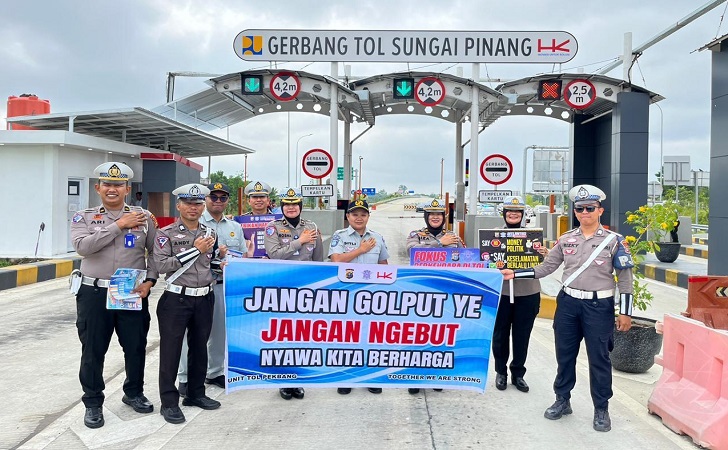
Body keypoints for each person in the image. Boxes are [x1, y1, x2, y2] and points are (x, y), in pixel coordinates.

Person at [501, 185, 634, 433]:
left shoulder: (614, 242)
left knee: (599, 359)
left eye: (590, 208)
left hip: (599, 306)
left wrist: (625, 312)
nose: (585, 212)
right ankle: (562, 400)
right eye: (580, 208)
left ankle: (601, 408)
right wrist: (514, 274)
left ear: (600, 210)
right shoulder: (566, 239)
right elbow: (545, 268)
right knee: (564, 356)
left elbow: (625, 279)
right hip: (569, 304)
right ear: (575, 211)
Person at [70, 162, 158, 429]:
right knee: (93, 350)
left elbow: (155, 253)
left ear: (127, 189)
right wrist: (119, 225)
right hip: (94, 292)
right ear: (98, 187)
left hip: (130, 291)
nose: (112, 189)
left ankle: (133, 392)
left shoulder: (144, 217)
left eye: (118, 185)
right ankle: (93, 402)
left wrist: (151, 281)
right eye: (107, 184)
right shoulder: (83, 218)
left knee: (134, 347)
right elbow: (83, 248)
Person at [154, 183, 226, 424]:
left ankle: (196, 393)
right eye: (188, 203)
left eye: (197, 203)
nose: (193, 207)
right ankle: (169, 402)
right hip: (176, 298)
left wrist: (223, 264)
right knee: (171, 352)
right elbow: (162, 266)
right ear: (179, 205)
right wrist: (194, 250)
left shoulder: (209, 233)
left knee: (199, 348)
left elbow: (210, 263)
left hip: (204, 296)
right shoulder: (166, 234)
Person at [177, 182, 248, 397]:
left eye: (222, 198)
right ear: (205, 200)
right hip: (195, 286)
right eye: (213, 197)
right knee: (189, 335)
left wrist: (229, 258)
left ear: (227, 201)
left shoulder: (234, 227)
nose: (218, 201)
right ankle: (185, 377)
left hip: (222, 286)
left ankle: (215, 371)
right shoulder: (194, 223)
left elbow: (242, 255)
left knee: (218, 333)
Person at [264, 188, 323, 400]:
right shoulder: (273, 228)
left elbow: (318, 260)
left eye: (295, 204)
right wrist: (300, 241)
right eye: (287, 204)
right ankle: (282, 380)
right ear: (282, 207)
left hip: (306, 288)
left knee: (302, 336)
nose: (291, 207)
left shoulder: (312, 227)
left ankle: (297, 380)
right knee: (283, 335)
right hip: (282, 286)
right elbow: (275, 255)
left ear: (300, 206)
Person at [329, 198, 389, 395]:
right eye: (355, 214)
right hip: (347, 295)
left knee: (371, 336)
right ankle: (345, 376)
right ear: (347, 217)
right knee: (346, 337)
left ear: (368, 217)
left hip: (372, 296)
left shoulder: (378, 237)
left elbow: (384, 266)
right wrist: (360, 250)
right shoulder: (339, 236)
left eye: (363, 214)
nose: (359, 218)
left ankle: (371, 375)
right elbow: (337, 260)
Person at [404, 198, 461, 395]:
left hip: (446, 293)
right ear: (426, 217)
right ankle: (415, 376)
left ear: (443, 217)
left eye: (438, 214)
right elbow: (413, 252)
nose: (435, 217)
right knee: (418, 336)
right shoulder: (416, 235)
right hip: (421, 292)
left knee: (441, 336)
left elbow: (467, 260)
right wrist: (438, 244)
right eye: (431, 215)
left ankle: (437, 374)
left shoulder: (454, 236)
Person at [491, 196, 542, 394]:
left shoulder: (534, 236)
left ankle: (518, 373)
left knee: (522, 335)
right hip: (501, 292)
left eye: (518, 211)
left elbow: (543, 265)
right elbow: (486, 261)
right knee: (500, 334)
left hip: (527, 292)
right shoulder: (493, 236)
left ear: (523, 215)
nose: (513, 214)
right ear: (504, 213)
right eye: (510, 211)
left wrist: (544, 253)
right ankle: (500, 371)